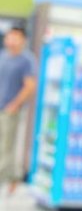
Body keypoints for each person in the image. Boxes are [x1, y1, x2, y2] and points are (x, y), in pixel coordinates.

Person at [0, 26, 37, 195]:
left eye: (15, 37)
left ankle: (4, 179)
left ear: (23, 39)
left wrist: (15, 104)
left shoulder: (26, 60)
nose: (11, 40)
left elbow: (30, 86)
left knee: (6, 147)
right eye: (9, 36)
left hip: (11, 110)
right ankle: (13, 176)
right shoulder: (3, 57)